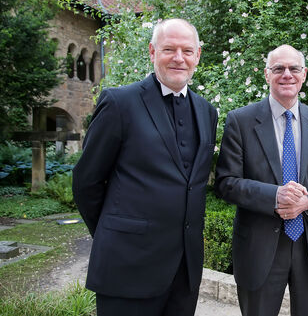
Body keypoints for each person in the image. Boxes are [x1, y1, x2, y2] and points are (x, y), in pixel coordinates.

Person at [72, 18, 218, 316]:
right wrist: (116, 235)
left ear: (197, 56)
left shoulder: (207, 111)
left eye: (187, 51)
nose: (179, 58)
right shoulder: (119, 102)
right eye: (169, 49)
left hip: (184, 271)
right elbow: (86, 182)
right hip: (126, 267)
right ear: (152, 52)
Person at [214, 44, 308, 316]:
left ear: (304, 74)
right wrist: (275, 196)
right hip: (259, 248)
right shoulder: (241, 121)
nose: (287, 74)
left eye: (294, 68)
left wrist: (307, 202)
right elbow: (226, 182)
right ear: (266, 74)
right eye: (278, 69)